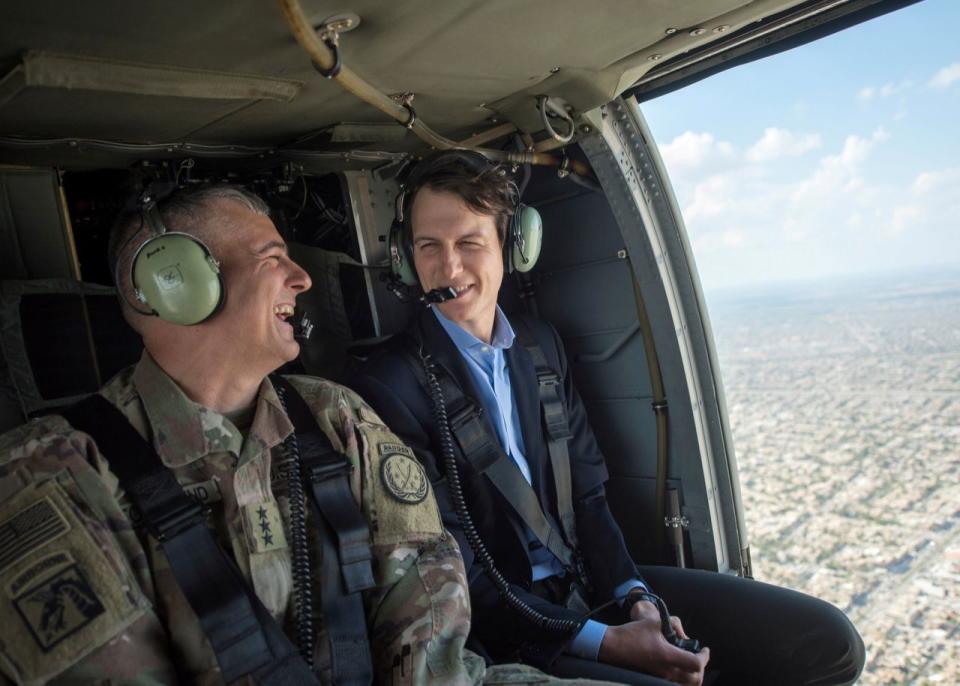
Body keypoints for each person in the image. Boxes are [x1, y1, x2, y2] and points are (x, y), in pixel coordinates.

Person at [0, 185, 611, 686]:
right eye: (272, 259)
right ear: (175, 284)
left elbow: (435, 643)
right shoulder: (53, 475)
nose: (301, 277)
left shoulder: (334, 417)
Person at [350, 151, 866, 686]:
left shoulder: (539, 346)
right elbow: (455, 573)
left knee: (829, 644)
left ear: (513, 247)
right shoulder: (389, 386)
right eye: (428, 246)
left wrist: (635, 598)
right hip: (511, 625)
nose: (449, 267)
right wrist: (607, 642)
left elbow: (589, 499)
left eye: (468, 243)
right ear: (407, 258)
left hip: (594, 585)